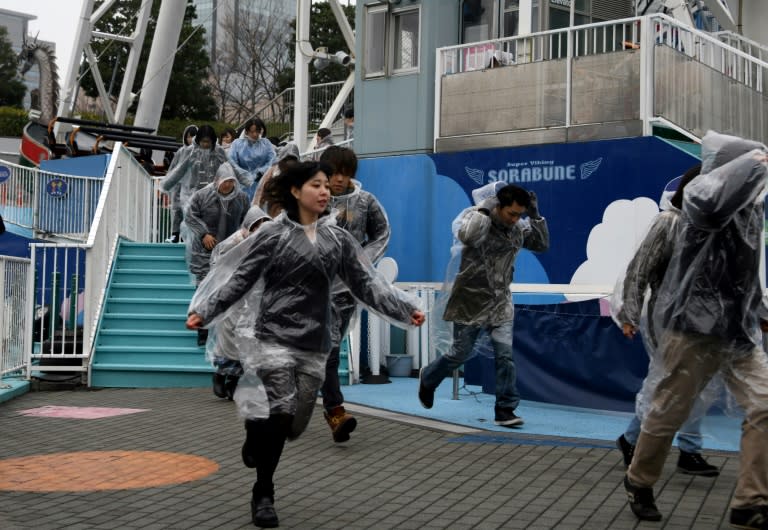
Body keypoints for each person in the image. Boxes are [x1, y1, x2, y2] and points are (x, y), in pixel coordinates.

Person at [185, 161, 425, 528]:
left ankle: (255, 424)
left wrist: (405, 309)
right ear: (296, 192)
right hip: (273, 339)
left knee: (294, 425)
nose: (326, 191)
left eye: (328, 185)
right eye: (317, 185)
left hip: (315, 342)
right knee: (280, 412)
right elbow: (240, 279)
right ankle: (263, 493)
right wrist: (206, 309)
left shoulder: (338, 240)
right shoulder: (271, 236)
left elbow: (367, 283)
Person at [622, 131, 768, 529]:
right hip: (692, 329)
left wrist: (761, 311)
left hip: (738, 332)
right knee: (668, 411)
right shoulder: (699, 204)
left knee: (765, 405)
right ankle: (639, 480)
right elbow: (710, 199)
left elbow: (745, 277)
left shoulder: (751, 215)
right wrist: (754, 163)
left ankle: (750, 501)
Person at [613, 164, 719, 477]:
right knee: (669, 383)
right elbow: (639, 270)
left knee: (696, 385)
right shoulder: (668, 223)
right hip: (668, 320)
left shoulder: (715, 227)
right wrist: (629, 314)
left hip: (705, 320)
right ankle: (639, 441)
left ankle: (686, 448)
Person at [418, 183, 549, 427]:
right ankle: (429, 377)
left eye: (519, 214)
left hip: (500, 302)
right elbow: (467, 236)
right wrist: (484, 210)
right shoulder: (477, 218)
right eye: (511, 213)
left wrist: (535, 216)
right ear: (498, 206)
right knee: (460, 354)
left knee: (505, 357)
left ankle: (505, 409)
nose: (515, 219)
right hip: (471, 300)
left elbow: (541, 245)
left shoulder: (517, 228)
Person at [318, 145, 391, 443]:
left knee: (329, 349)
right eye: (333, 173)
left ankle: (326, 406)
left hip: (346, 290)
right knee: (328, 350)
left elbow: (382, 233)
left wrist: (360, 260)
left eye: (345, 174)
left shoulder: (365, 201)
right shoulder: (312, 197)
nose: (339, 179)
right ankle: (335, 411)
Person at [208, 206, 271, 399]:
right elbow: (218, 259)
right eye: (257, 226)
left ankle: (235, 381)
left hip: (254, 300)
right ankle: (220, 375)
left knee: (248, 340)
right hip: (232, 298)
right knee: (228, 338)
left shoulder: (268, 244)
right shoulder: (236, 241)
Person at [183, 162, 250, 346]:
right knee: (204, 288)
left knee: (225, 289)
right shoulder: (202, 196)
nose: (228, 185)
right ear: (216, 180)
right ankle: (202, 331)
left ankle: (222, 331)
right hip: (205, 250)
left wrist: (242, 238)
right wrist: (204, 233)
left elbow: (247, 220)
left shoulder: (241, 199)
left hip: (229, 251)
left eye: (231, 182)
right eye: (225, 181)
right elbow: (190, 216)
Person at [161, 125, 230, 244]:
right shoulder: (190, 151)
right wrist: (166, 184)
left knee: (210, 224)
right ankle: (193, 246)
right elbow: (179, 170)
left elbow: (230, 169)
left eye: (208, 142)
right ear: (198, 140)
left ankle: (204, 247)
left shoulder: (219, 151)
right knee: (191, 219)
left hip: (212, 195)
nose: (205, 145)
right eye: (203, 141)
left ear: (213, 141)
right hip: (191, 193)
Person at [228, 118, 276, 202]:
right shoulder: (237, 143)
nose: (255, 134)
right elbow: (232, 161)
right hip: (242, 183)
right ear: (246, 131)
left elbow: (272, 159)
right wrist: (243, 175)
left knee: (259, 205)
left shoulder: (266, 143)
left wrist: (261, 171)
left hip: (261, 180)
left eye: (257, 131)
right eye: (252, 131)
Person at [165, 124, 197, 243]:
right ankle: (175, 234)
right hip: (179, 186)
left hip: (192, 186)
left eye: (193, 136)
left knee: (190, 211)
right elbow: (173, 167)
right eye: (188, 137)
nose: (190, 139)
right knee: (176, 210)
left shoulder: (199, 152)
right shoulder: (181, 151)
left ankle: (188, 236)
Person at [253, 142, 301, 217]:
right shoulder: (273, 170)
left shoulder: (301, 171)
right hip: (276, 207)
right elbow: (260, 191)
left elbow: (260, 192)